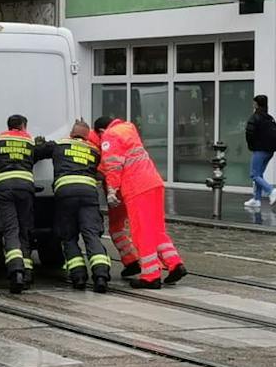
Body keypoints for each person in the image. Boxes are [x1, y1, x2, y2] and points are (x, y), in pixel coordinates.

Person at [93, 115, 184, 288]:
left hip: (136, 187)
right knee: (156, 228)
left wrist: (112, 190)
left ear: (101, 131)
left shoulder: (109, 136)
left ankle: (150, 276)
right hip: (154, 182)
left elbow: (113, 165)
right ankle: (174, 263)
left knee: (141, 231)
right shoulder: (128, 129)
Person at [36, 120, 112, 292]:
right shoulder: (94, 150)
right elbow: (101, 173)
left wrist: (39, 144)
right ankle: (100, 276)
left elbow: (38, 153)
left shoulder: (60, 144)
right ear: (87, 136)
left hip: (66, 194)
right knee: (91, 234)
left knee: (68, 236)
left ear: (71, 133)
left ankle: (78, 276)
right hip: (89, 193)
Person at [0, 115, 39, 294]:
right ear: (23, 126)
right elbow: (44, 152)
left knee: (10, 229)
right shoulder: (29, 141)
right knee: (24, 229)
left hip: (4, 187)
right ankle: (27, 271)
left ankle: (16, 272)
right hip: (25, 188)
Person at [244, 94, 276, 209]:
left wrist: (252, 146)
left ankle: (271, 190)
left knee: (254, 174)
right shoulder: (269, 117)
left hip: (259, 150)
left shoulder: (255, 117)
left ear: (256, 104)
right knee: (259, 174)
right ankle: (256, 199)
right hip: (269, 151)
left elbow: (249, 134)